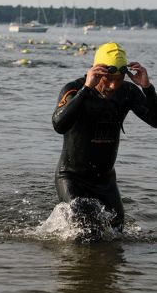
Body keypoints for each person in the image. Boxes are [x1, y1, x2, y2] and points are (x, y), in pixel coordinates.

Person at [52, 42, 157, 231]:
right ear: (96, 72)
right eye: (107, 79)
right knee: (87, 232)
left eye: (118, 79)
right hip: (72, 178)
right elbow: (59, 125)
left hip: (105, 180)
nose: (112, 85)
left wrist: (147, 88)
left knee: (117, 232)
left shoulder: (128, 92)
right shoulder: (74, 89)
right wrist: (86, 90)